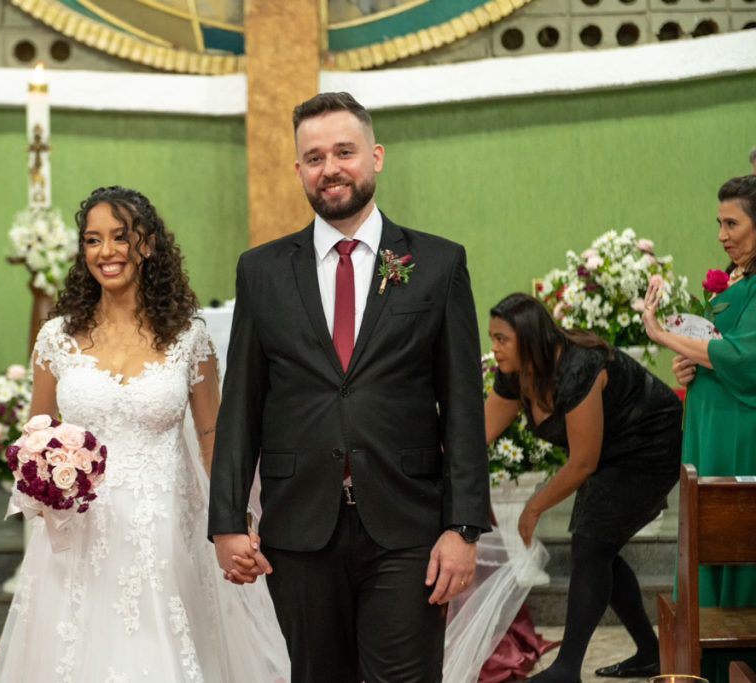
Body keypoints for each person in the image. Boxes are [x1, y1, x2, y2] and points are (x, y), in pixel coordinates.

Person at [208, 91, 490, 683]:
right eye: (314, 157)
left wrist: (464, 528)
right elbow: (241, 407)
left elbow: (463, 406)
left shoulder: (437, 264)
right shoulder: (261, 271)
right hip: (300, 526)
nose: (329, 168)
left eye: (344, 151)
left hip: (407, 522)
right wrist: (229, 520)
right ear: (299, 170)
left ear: (376, 156)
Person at [0, 186, 289, 682]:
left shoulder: (189, 337)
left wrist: (233, 513)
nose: (105, 252)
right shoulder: (57, 337)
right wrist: (48, 481)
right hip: (83, 528)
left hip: (168, 522)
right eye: (92, 240)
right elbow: (35, 436)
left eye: (119, 237)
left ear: (147, 244)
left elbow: (212, 432)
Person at [484, 293, 681, 682]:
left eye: (502, 339)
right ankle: (650, 652)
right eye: (491, 337)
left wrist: (535, 507)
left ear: (529, 338)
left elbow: (583, 462)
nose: (494, 348)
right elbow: (480, 434)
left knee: (591, 543)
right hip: (610, 451)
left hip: (651, 442)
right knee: (597, 546)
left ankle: (567, 669)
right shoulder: (514, 373)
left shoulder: (578, 366)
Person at [642, 174, 756, 682]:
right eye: (719, 223)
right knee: (706, 546)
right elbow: (716, 347)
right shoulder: (739, 281)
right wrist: (688, 364)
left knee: (735, 545)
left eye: (732, 223)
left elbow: (744, 358)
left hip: (741, 432)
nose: (722, 235)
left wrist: (664, 337)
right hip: (713, 427)